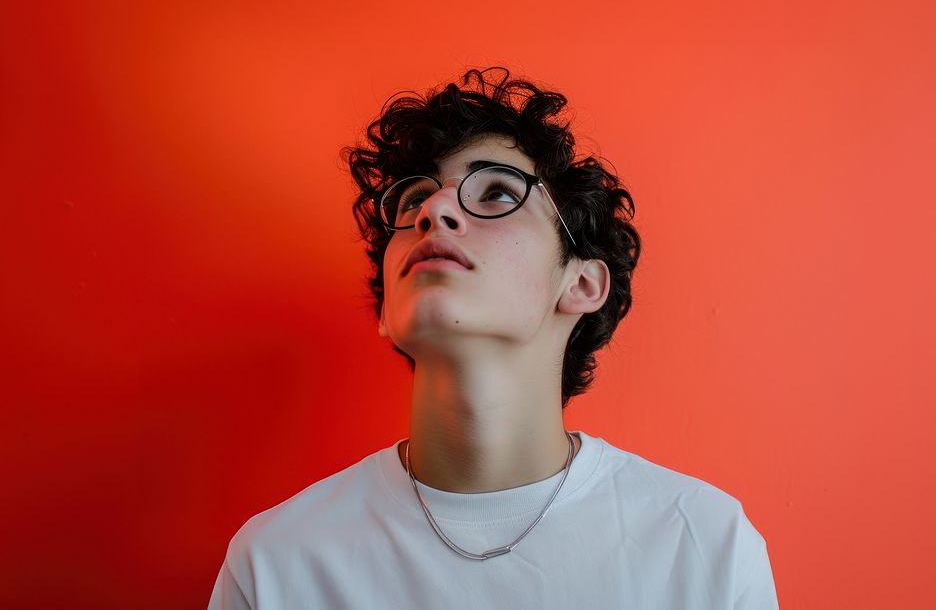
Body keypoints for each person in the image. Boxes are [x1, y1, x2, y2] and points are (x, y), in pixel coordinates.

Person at [208, 68, 779, 609]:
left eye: (498, 194)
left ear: (580, 283)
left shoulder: (704, 548)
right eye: (412, 202)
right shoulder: (277, 566)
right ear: (387, 310)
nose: (434, 210)